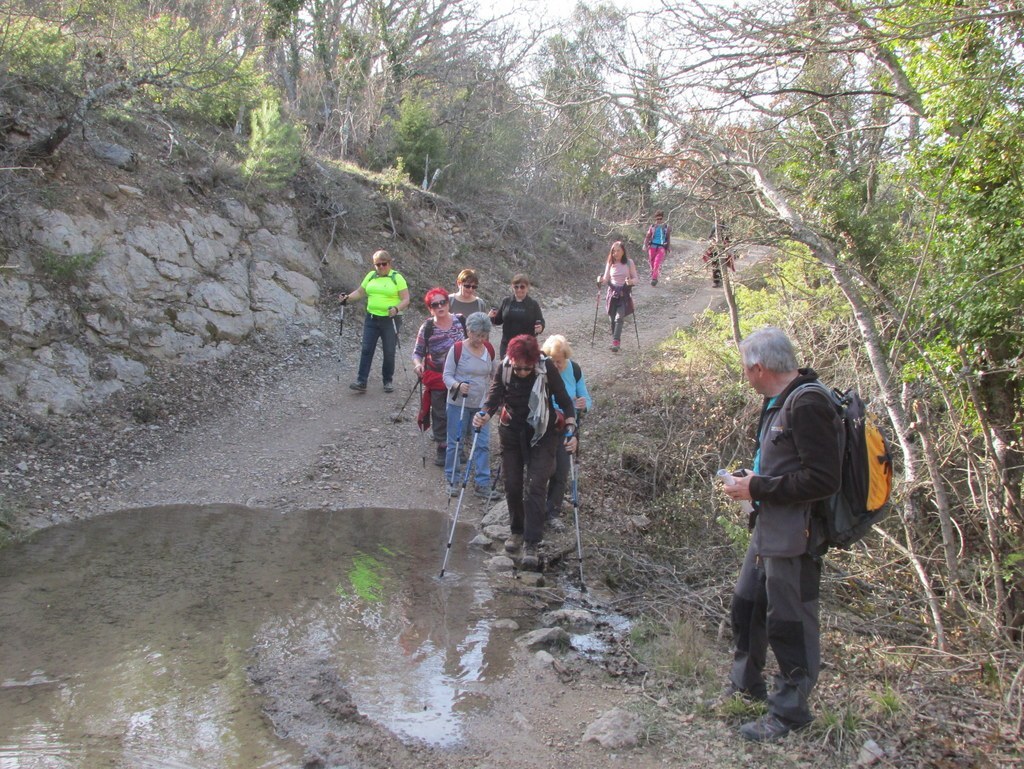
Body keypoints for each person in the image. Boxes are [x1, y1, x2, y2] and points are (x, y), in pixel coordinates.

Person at [720, 326, 843, 742]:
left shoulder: (807, 403)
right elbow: (785, 466)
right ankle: (745, 685)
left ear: (758, 367)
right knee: (747, 604)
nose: (744, 375)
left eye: (745, 369)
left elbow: (824, 479)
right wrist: (753, 481)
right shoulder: (778, 402)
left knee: (790, 621)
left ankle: (789, 713)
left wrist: (757, 487)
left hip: (798, 534)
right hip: (770, 526)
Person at [473, 334, 577, 570]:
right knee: (512, 484)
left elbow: (565, 401)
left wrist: (571, 429)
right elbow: (494, 397)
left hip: (543, 433)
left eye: (526, 369)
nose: (521, 372)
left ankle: (531, 541)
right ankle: (516, 531)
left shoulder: (545, 367)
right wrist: (484, 414)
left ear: (534, 362)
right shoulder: (504, 367)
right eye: (518, 368)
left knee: (536, 485)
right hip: (511, 432)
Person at [442, 312, 501, 500]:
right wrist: (457, 385)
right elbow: (447, 375)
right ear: (469, 331)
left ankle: (482, 484)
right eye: (477, 335)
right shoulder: (457, 349)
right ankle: (453, 480)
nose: (480, 339)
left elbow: (495, 374)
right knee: (456, 442)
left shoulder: (489, 350)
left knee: (482, 444)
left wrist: (495, 397)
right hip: (458, 404)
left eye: (484, 336)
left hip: (481, 405)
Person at [338, 250, 410, 393]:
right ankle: (361, 381)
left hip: (391, 319)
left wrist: (396, 309)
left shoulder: (397, 278)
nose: (381, 267)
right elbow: (360, 292)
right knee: (366, 349)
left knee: (389, 351)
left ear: (389, 263)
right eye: (378, 264)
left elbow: (406, 299)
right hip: (371, 318)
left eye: (384, 264)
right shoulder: (371, 276)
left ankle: (387, 380)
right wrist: (347, 298)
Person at [541, 335, 591, 531]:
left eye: (559, 361)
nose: (555, 365)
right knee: (545, 468)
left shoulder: (574, 369)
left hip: (567, 426)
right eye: (552, 361)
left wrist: (583, 404)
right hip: (545, 426)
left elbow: (586, 396)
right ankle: (536, 508)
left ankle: (552, 513)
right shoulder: (542, 368)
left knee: (561, 470)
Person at [413, 288, 467, 467]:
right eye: (435, 304)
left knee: (460, 412)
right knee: (440, 412)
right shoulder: (427, 327)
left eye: (442, 302)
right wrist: (418, 364)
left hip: (460, 376)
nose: (440, 306)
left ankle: (458, 446)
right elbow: (417, 352)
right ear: (430, 309)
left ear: (448, 303)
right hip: (437, 376)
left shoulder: (461, 321)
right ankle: (443, 446)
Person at [597, 240, 638, 353]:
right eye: (613, 251)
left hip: (624, 294)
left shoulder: (629, 263)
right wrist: (600, 280)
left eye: (618, 250)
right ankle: (615, 339)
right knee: (612, 319)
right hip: (612, 294)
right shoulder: (610, 263)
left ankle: (616, 341)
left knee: (619, 318)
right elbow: (606, 280)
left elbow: (636, 279)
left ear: (623, 251)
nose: (616, 253)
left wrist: (630, 282)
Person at [489, 275, 544, 359]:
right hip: (507, 345)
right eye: (516, 287)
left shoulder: (533, 304)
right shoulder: (506, 301)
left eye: (522, 287)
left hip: (527, 346)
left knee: (524, 371)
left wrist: (540, 327)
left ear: (527, 287)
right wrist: (491, 317)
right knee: (506, 370)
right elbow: (498, 320)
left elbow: (541, 321)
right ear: (512, 287)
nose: (519, 290)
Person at [642, 210, 671, 286]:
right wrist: (645, 245)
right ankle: (654, 275)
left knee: (656, 263)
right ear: (655, 219)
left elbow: (668, 238)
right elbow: (647, 237)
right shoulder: (652, 227)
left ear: (663, 219)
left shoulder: (666, 227)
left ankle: (654, 278)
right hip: (652, 247)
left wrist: (668, 247)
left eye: (660, 219)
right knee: (652, 263)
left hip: (661, 248)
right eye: (657, 219)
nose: (659, 221)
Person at [703, 221, 735, 287]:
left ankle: (725, 280)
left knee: (723, 264)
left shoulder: (725, 229)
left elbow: (729, 241)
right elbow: (710, 239)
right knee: (715, 265)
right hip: (714, 251)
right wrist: (713, 244)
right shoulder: (714, 228)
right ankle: (716, 281)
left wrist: (726, 246)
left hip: (723, 250)